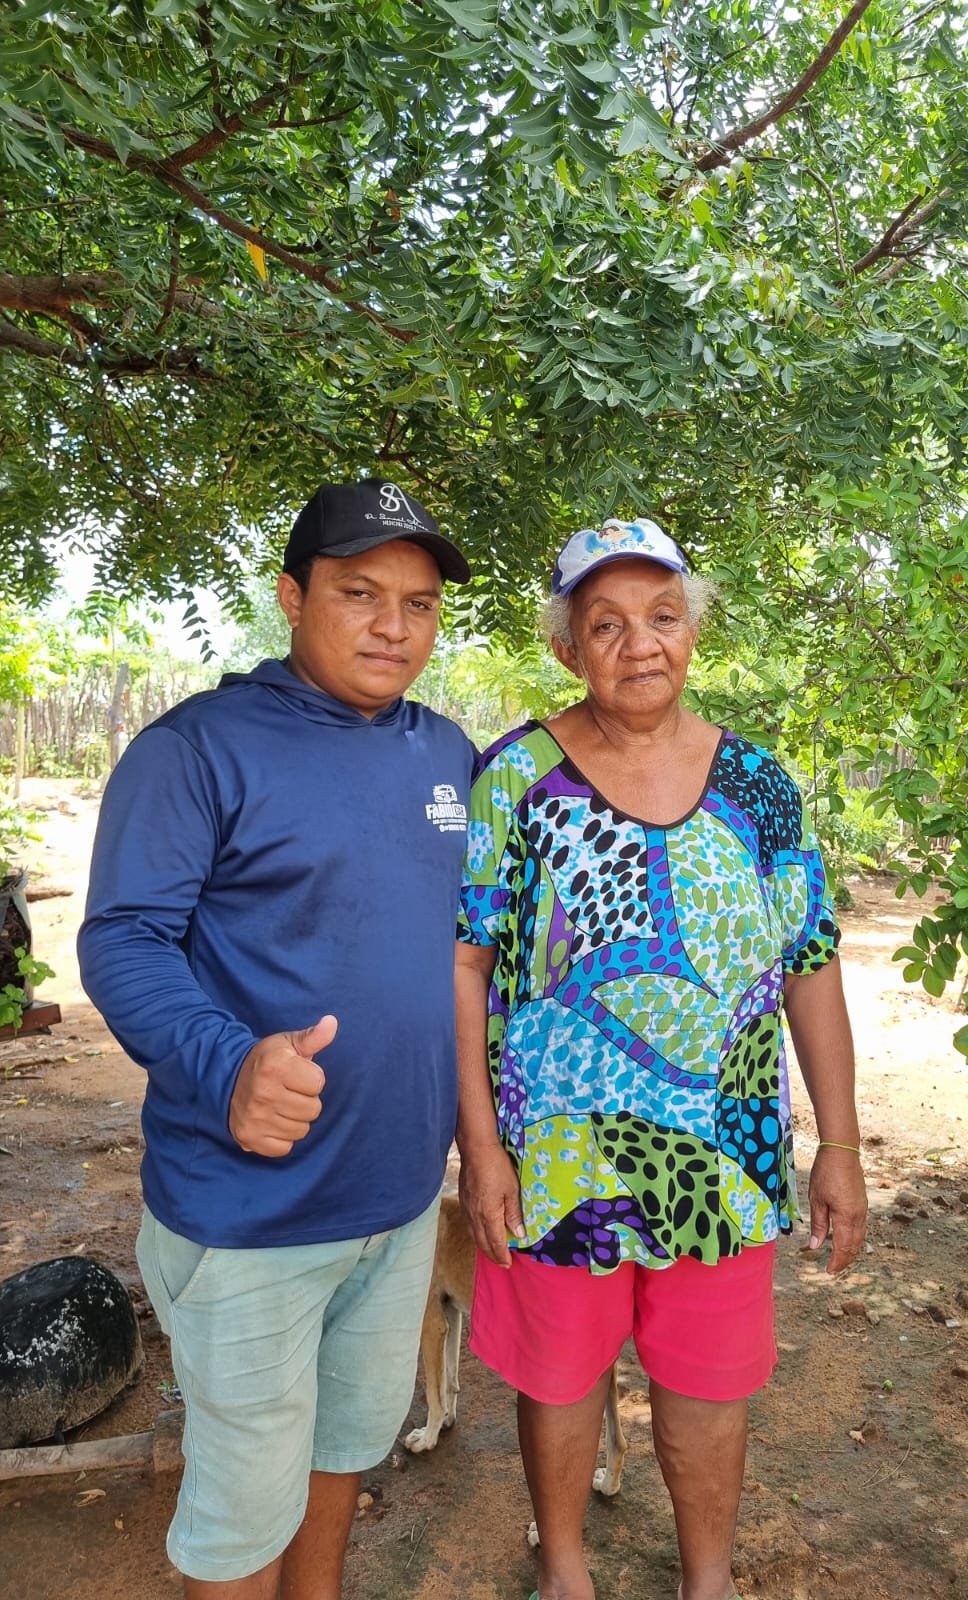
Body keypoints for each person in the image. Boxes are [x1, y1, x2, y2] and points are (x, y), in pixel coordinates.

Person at [455, 516, 868, 1600]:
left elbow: (811, 963)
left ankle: (708, 1579)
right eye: (607, 624)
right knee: (559, 1377)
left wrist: (840, 1145)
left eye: (663, 616)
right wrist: (480, 1146)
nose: (640, 643)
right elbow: (467, 967)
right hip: (556, 1157)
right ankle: (567, 1571)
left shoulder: (760, 784)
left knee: (709, 1384)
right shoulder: (515, 779)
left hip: (726, 1156)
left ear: (694, 631)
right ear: (568, 649)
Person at [78, 480, 473, 1600]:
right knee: (243, 1514)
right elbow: (123, 938)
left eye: (418, 603)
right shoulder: (197, 750)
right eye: (359, 593)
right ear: (294, 598)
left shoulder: (447, 753)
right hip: (249, 1216)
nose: (393, 626)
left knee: (342, 1457)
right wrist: (229, 1063)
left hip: (397, 1202)